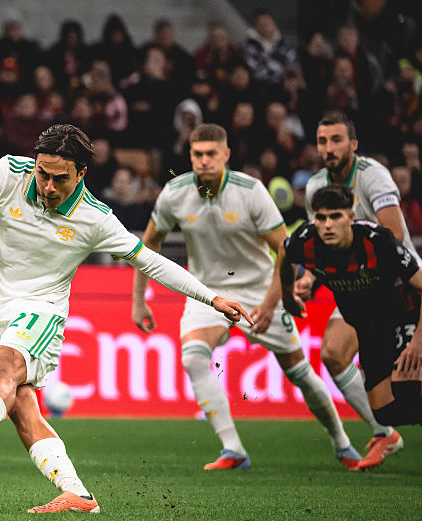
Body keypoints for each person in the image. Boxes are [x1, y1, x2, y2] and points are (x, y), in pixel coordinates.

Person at [0, 124, 252, 514]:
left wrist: (211, 297)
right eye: (43, 173)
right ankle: (78, 495)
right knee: (21, 407)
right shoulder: (9, 172)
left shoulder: (95, 219)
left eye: (60, 178)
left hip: (41, 309)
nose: (48, 186)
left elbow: (151, 262)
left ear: (82, 173)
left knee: (5, 366)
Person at [131, 123, 360, 470]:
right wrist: (138, 299)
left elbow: (285, 249)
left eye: (211, 154)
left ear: (226, 155)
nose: (204, 160)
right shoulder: (175, 193)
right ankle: (233, 450)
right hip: (208, 292)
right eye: (198, 154)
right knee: (193, 358)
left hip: (259, 288)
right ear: (190, 157)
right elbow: (147, 245)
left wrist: (271, 303)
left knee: (299, 372)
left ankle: (342, 442)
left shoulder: (251, 191)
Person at [299, 112, 417, 468]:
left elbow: (394, 235)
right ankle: (385, 433)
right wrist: (311, 278)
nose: (328, 148)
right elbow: (321, 244)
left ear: (353, 144)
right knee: (333, 353)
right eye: (322, 141)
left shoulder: (372, 176)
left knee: (409, 381)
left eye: (336, 140)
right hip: (357, 287)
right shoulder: (316, 187)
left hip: (400, 284)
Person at [282, 185, 422, 449]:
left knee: (407, 390)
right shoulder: (305, 240)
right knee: (384, 413)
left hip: (405, 315)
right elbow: (284, 253)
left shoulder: (378, 242)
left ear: (350, 216)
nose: (327, 225)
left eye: (335, 216)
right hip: (369, 326)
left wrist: (416, 342)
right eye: (321, 218)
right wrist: (288, 296)